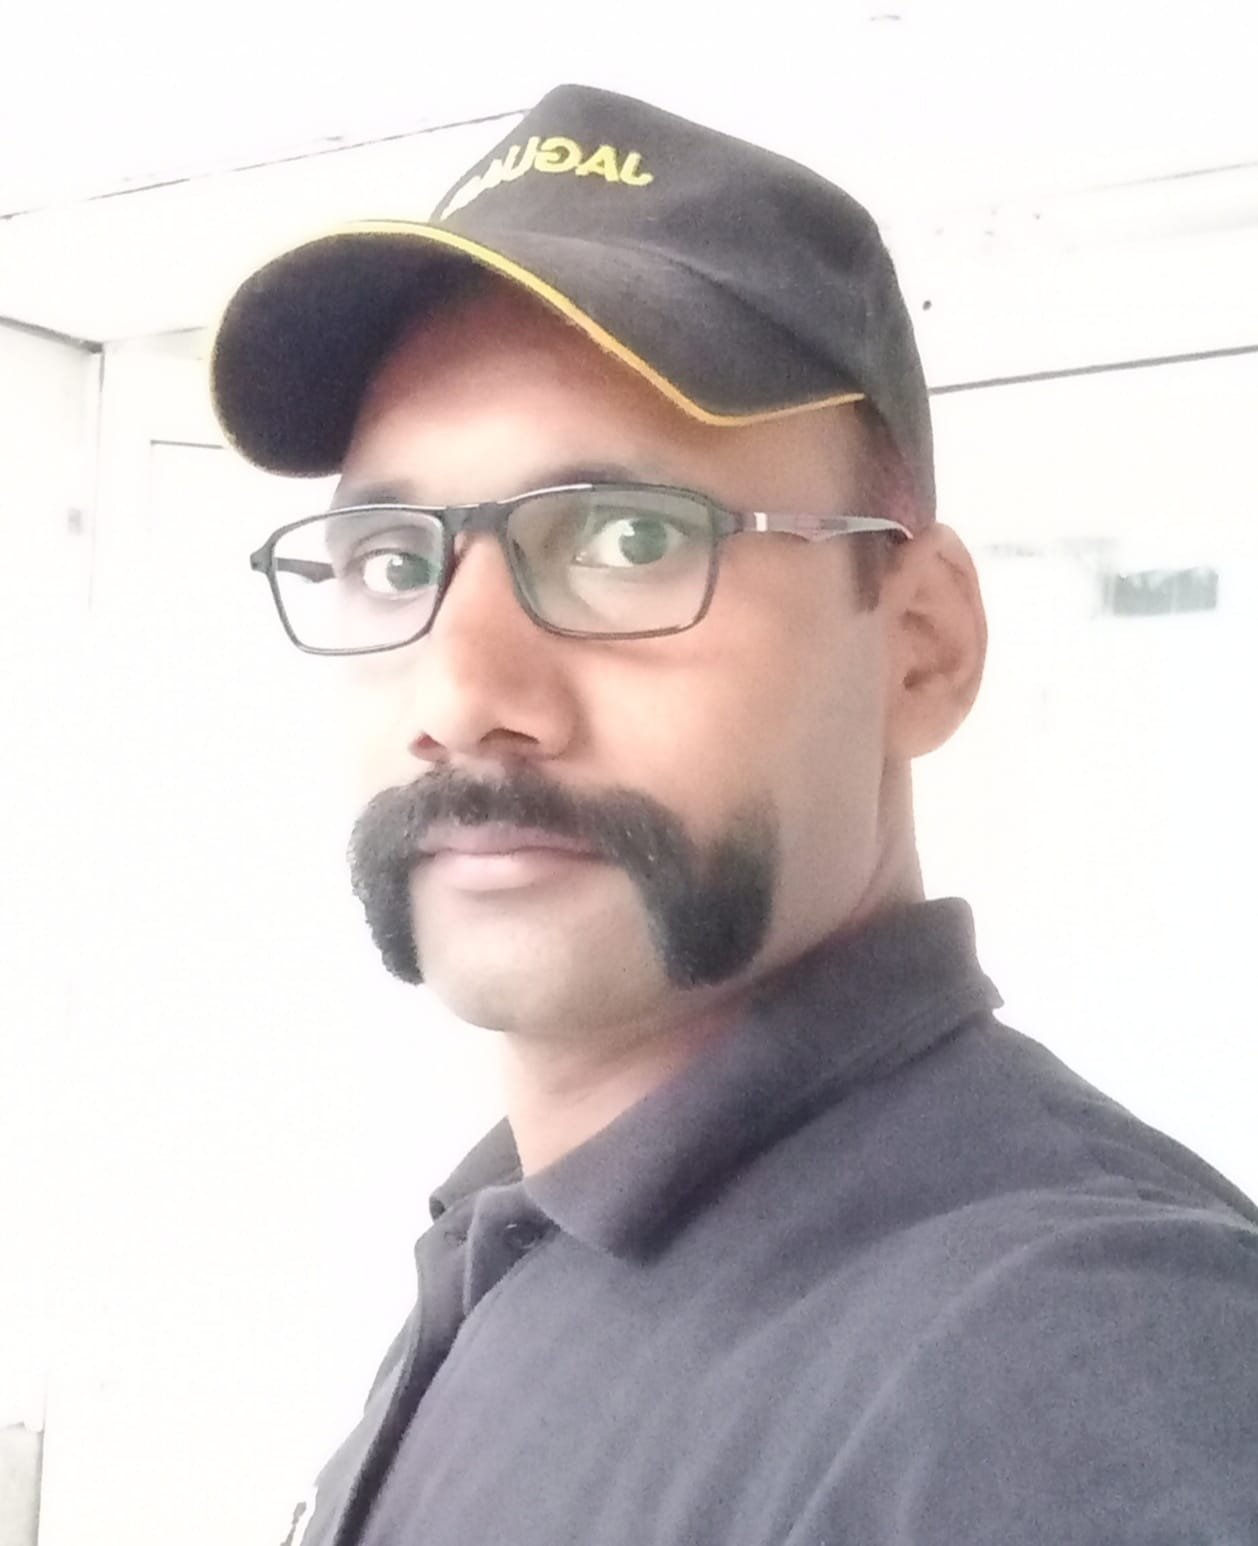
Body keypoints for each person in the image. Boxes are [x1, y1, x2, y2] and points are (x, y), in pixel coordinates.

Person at [211, 84, 1258, 1546]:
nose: (459, 692)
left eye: (629, 537)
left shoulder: (1072, 1362)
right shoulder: (528, 1225)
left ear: (920, 645)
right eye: (394, 559)